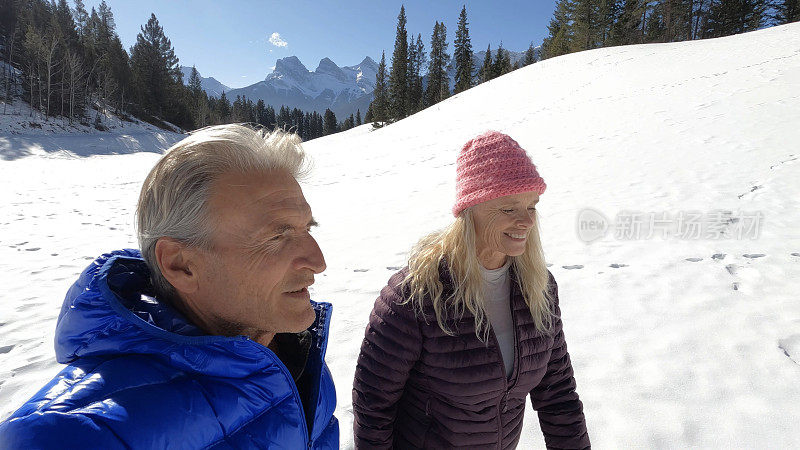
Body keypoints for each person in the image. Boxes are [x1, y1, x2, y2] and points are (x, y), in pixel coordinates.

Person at [0, 125, 338, 449]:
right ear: (180, 265)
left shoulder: (292, 353)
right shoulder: (73, 435)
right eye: (276, 237)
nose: (318, 261)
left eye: (308, 228)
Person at [352, 131, 590, 449]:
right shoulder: (415, 296)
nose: (526, 222)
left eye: (532, 207)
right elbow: (373, 410)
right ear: (471, 209)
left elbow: (557, 395)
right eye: (509, 208)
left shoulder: (539, 287)